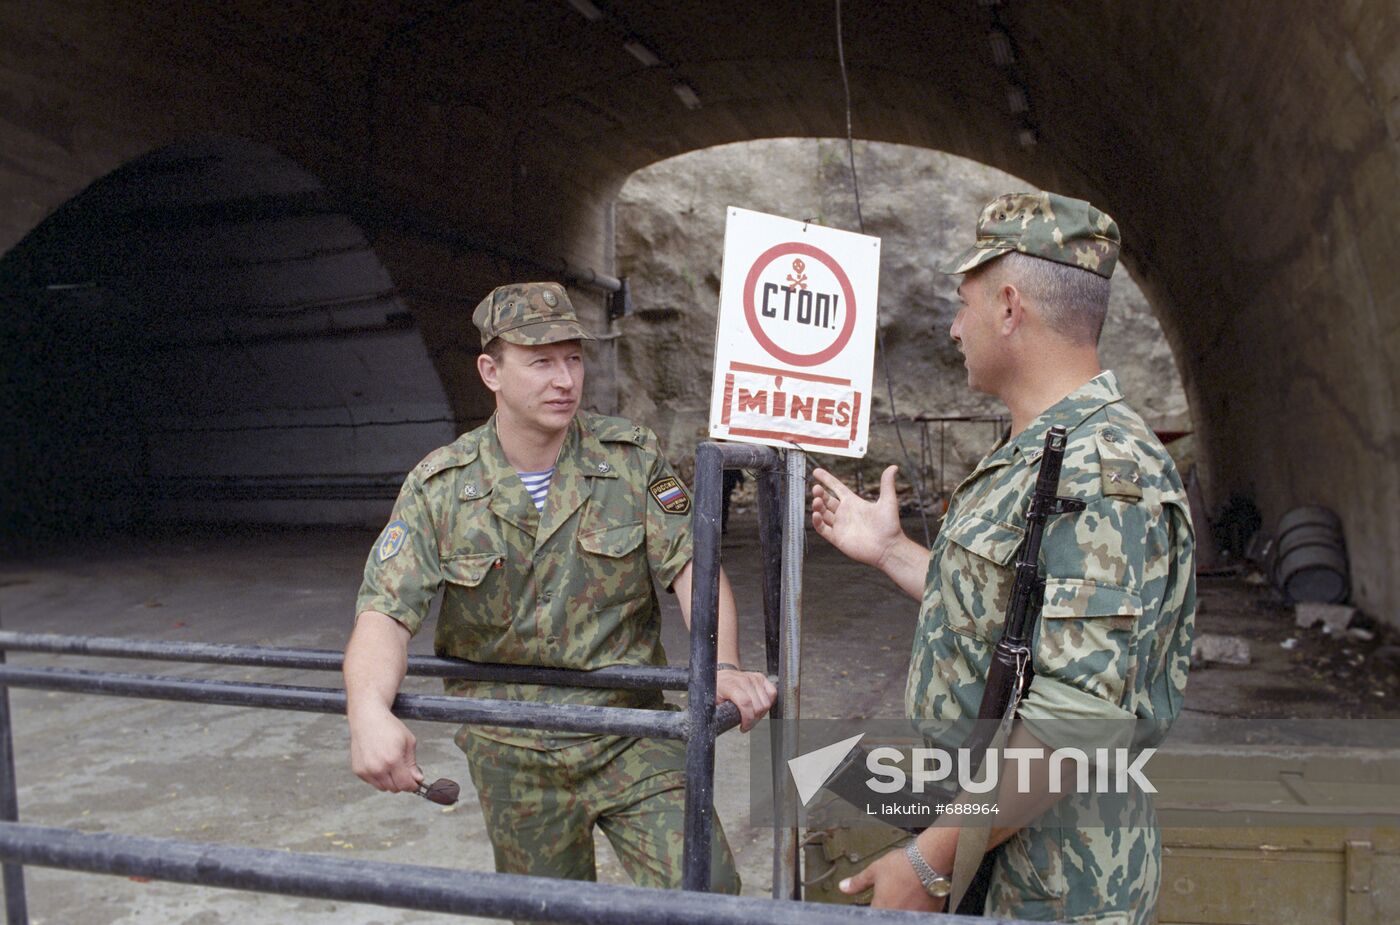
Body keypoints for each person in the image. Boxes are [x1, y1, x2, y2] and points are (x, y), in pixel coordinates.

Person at [811, 193, 1196, 923]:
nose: (957, 327)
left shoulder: (1107, 471)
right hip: (996, 842)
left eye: (965, 304)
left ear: (1010, 307)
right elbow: (1014, 622)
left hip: (1056, 876)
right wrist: (893, 551)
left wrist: (928, 861)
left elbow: (1074, 722)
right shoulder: (1041, 450)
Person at [344, 281, 775, 893]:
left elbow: (691, 567)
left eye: (573, 357)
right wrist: (366, 712)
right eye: (541, 361)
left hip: (629, 732)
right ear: (491, 371)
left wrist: (722, 664)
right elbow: (385, 612)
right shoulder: (440, 487)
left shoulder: (630, 458)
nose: (565, 379)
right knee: (548, 911)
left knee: (708, 895)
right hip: (512, 747)